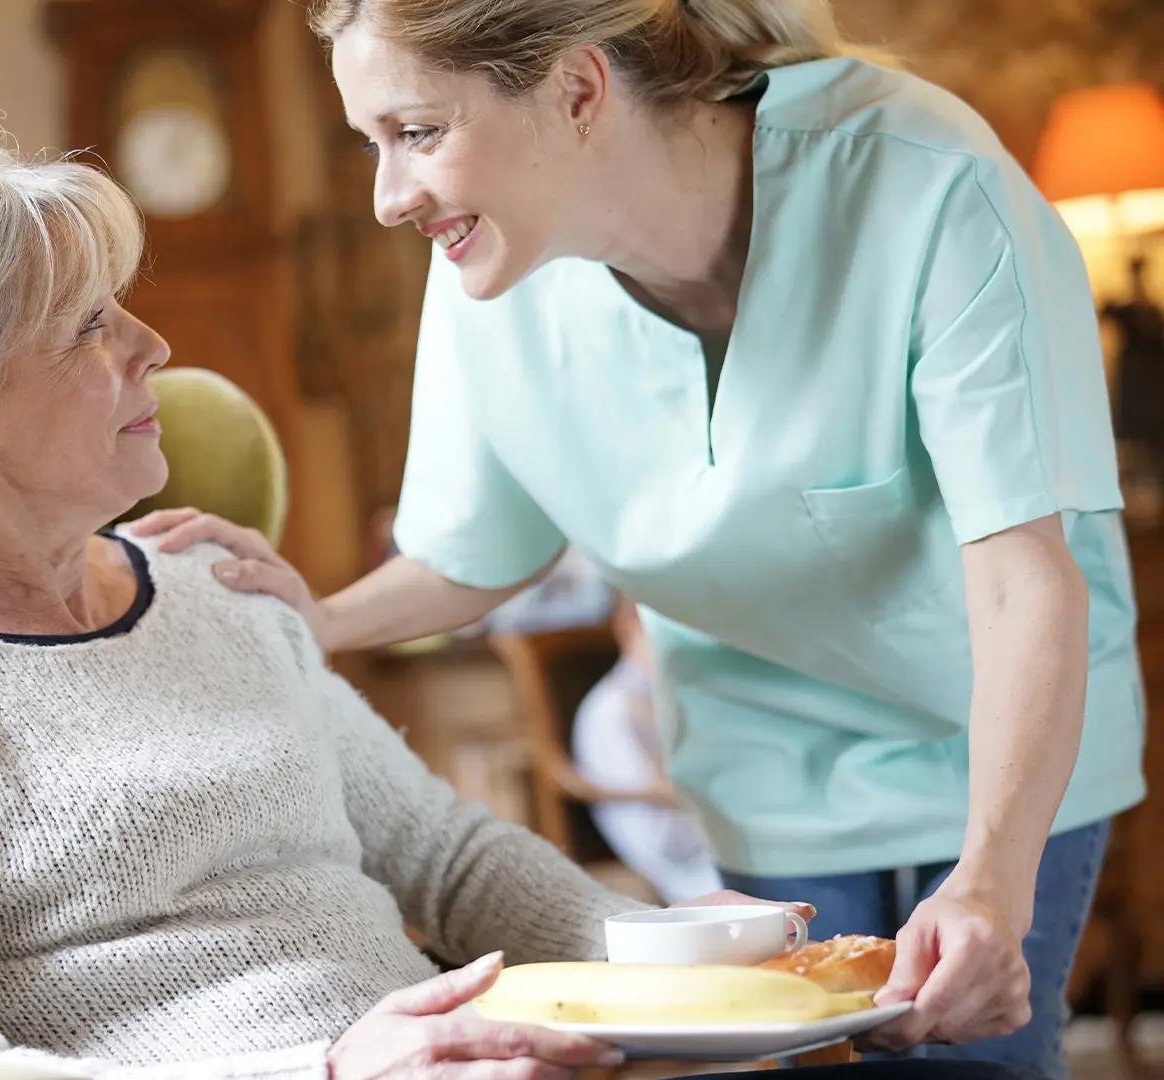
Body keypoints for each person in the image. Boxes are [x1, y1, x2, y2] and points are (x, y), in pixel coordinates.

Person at [0, 95, 1030, 1080]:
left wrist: (659, 947)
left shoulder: (201, 583)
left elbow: (450, 861)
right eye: (88, 331)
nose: (154, 348)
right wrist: (333, 1070)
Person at [130, 1, 1144, 1077]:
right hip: (770, 777)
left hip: (1001, 746)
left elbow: (1023, 584)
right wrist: (313, 620)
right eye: (371, 144)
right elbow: (469, 553)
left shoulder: (925, 180)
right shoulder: (495, 264)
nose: (388, 197)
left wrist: (990, 877)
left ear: (576, 90)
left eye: (417, 132)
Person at [571, 598, 723, 904]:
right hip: (689, 862)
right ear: (629, 629)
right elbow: (662, 840)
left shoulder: (684, 695)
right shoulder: (613, 711)